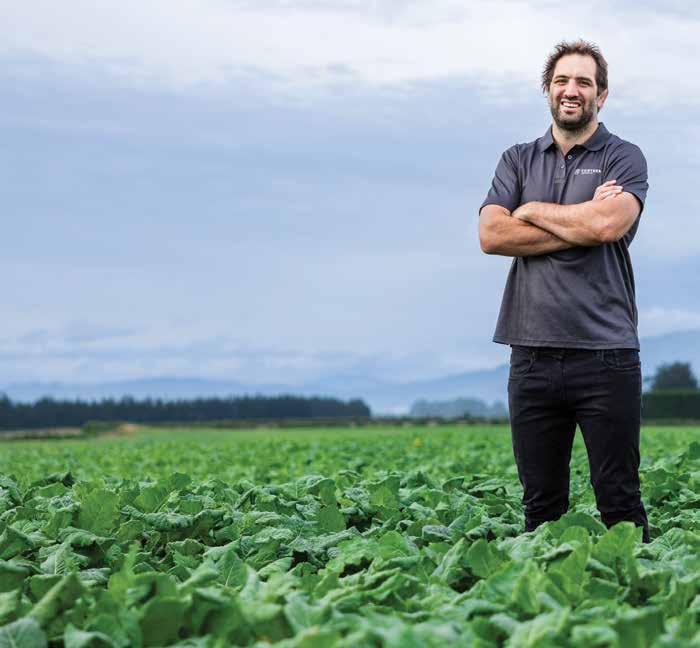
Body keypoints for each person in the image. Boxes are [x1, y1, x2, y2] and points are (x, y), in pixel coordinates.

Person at [478, 39, 650, 543]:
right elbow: (492, 236)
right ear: (547, 90)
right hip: (530, 356)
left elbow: (607, 226)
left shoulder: (623, 156)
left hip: (606, 355)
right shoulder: (517, 159)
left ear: (602, 95)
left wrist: (530, 210)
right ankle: (546, 591)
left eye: (583, 82)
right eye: (561, 81)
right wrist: (582, 219)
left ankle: (637, 588)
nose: (571, 90)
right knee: (540, 508)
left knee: (620, 501)